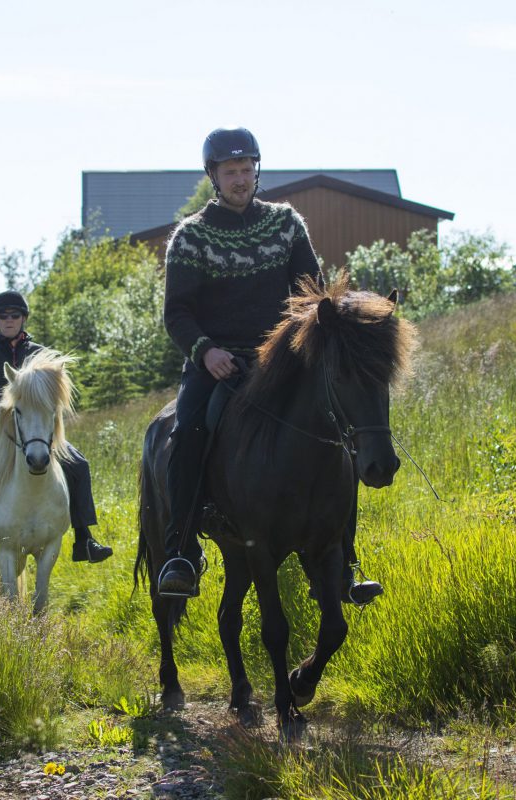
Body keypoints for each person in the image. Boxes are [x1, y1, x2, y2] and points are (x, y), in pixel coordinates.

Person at [157, 126, 383, 603]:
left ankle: (347, 559)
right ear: (214, 177)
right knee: (187, 430)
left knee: (336, 430)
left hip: (280, 360)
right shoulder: (191, 236)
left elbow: (312, 293)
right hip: (214, 362)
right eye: (230, 171)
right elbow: (176, 312)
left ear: (257, 171)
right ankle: (181, 550)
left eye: (247, 169)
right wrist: (206, 351)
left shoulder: (286, 224)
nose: (241, 179)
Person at [0, 290, 113, 577]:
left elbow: (55, 397)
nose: (8, 320)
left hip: (38, 432)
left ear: (23, 318)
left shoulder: (40, 354)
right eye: (2, 316)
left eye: (14, 315)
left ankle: (84, 538)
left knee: (79, 465)